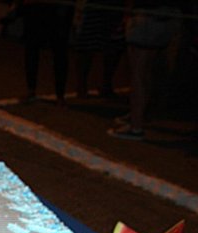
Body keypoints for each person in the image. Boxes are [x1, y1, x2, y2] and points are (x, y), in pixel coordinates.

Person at [108, 0, 181, 140]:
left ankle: (136, 126)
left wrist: (127, 13)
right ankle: (138, 114)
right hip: (167, 15)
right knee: (146, 69)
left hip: (147, 15)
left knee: (138, 73)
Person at [21, 0, 75, 105]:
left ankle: (59, 94)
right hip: (42, 5)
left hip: (59, 5)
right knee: (34, 47)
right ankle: (33, 90)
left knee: (59, 49)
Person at [73, 0, 126, 98]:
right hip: (93, 5)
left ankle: (106, 84)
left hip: (114, 6)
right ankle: (82, 85)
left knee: (114, 43)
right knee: (87, 43)